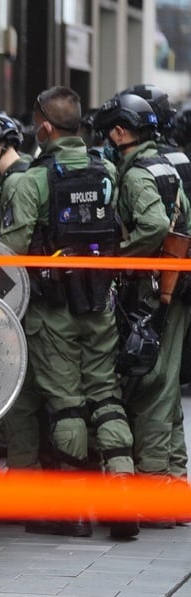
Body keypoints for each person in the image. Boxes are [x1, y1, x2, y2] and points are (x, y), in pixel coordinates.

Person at [0, 86, 138, 539]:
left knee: (66, 406)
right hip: (100, 304)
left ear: (43, 127)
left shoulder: (28, 181)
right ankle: (122, 501)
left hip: (49, 311)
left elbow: (11, 254)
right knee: (106, 397)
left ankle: (73, 511)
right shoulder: (108, 172)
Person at [96, 92, 189, 527]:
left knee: (151, 386)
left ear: (118, 132)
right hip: (176, 286)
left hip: (154, 291)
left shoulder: (135, 175)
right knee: (166, 383)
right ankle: (172, 481)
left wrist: (122, 258)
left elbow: (152, 225)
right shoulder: (170, 162)